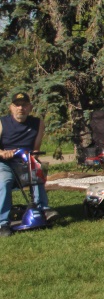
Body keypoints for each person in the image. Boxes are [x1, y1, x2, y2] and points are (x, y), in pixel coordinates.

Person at [0, 92, 56, 236]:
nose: (20, 108)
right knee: (4, 181)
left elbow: (36, 148)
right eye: (17, 105)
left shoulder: (37, 123)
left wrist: (35, 156)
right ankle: (3, 224)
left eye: (24, 105)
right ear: (11, 107)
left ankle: (43, 209)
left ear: (30, 107)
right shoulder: (2, 122)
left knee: (36, 171)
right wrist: (3, 153)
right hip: (5, 163)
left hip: (25, 161)